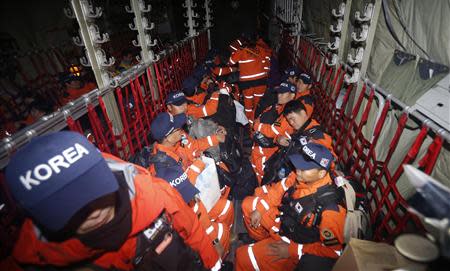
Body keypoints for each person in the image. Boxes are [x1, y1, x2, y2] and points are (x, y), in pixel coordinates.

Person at [2, 131, 222, 271]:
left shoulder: (153, 194)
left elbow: (192, 229)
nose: (94, 211)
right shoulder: (35, 261)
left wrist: (213, 266)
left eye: (93, 188)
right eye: (70, 207)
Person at [236, 143, 346, 271]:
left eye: (304, 168)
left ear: (321, 173)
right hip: (287, 223)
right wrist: (260, 209)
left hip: (298, 246)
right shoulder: (299, 176)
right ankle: (260, 242)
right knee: (249, 205)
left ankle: (266, 255)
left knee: (242, 256)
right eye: (299, 164)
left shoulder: (331, 211)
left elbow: (334, 252)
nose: (298, 170)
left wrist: (293, 250)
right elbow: (279, 190)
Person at [149, 112, 233, 255]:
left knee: (227, 207)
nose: (181, 129)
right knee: (221, 233)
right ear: (168, 138)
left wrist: (215, 139)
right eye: (176, 128)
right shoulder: (164, 170)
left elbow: (194, 146)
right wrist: (214, 240)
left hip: (196, 196)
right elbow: (193, 209)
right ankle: (219, 254)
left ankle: (224, 244)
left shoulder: (175, 144)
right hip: (186, 219)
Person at [251, 81, 297, 184]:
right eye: (279, 92)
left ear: (292, 95)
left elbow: (272, 131)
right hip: (259, 147)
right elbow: (260, 117)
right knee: (255, 172)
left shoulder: (290, 112)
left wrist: (256, 125)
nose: (279, 95)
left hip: (270, 152)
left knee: (263, 175)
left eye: (283, 93)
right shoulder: (276, 106)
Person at [229, 34, 269, 124]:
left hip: (248, 83)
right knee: (259, 104)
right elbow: (266, 62)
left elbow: (231, 61)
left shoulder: (241, 50)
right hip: (261, 80)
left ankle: (248, 123)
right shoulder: (261, 48)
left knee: (248, 104)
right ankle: (257, 121)